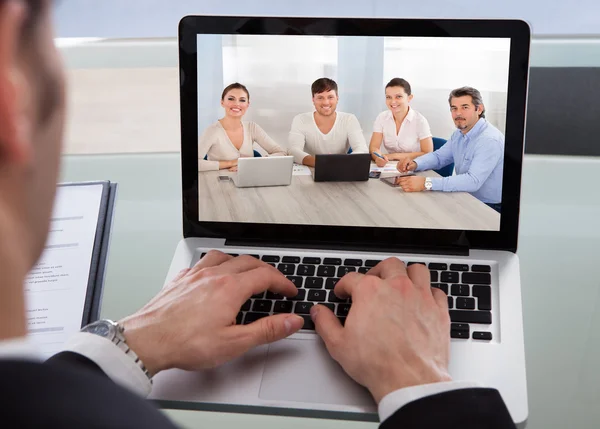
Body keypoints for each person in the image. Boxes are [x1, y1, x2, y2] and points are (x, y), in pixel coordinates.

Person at [0, 1, 516, 427]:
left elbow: (304, 153)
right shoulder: (295, 120)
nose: (238, 105)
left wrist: (125, 346)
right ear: (12, 95)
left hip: (464, 207)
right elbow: (298, 152)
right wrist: (420, 384)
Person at [396, 87, 504, 213]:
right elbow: (439, 157)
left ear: (479, 109)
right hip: (465, 197)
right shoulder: (459, 133)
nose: (458, 113)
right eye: (454, 108)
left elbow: (473, 181)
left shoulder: (489, 140)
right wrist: (415, 164)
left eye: (465, 107)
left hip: (488, 207)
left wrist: (427, 183)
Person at [198, 82, 286, 172]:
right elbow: (194, 164)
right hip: (217, 183)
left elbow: (282, 153)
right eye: (231, 99)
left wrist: (253, 163)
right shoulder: (212, 131)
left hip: (249, 182)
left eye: (242, 100)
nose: (237, 104)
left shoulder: (252, 128)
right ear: (222, 102)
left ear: (247, 104)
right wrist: (232, 163)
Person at [287, 77, 369, 167]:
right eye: (320, 98)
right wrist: (321, 163)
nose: (326, 102)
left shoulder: (349, 119)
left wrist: (342, 162)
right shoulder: (300, 120)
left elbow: (362, 149)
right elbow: (293, 150)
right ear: (313, 100)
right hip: (311, 168)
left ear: (337, 98)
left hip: (341, 169)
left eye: (330, 97)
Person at [369, 78, 433, 167]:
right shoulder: (382, 118)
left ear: (409, 98)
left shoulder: (420, 121)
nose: (393, 101)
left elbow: (428, 153)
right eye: (388, 97)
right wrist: (378, 158)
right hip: (390, 166)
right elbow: (374, 147)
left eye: (398, 96)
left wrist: (394, 156)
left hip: (414, 166)